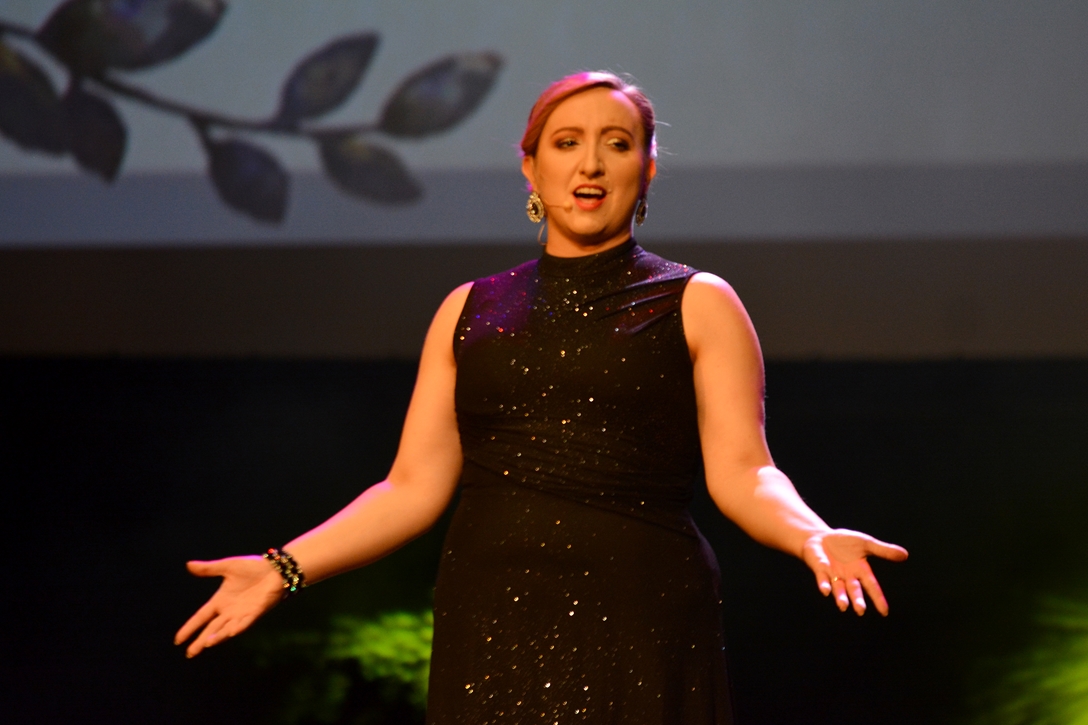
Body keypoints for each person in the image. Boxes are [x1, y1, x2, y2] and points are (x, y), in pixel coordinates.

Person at [176, 72, 908, 724]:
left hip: (640, 613)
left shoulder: (699, 301)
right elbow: (410, 488)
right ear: (531, 165)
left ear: (647, 168)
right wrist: (284, 567)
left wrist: (811, 533)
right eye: (567, 143)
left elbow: (746, 471)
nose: (591, 164)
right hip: (491, 617)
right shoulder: (467, 310)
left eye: (617, 144)